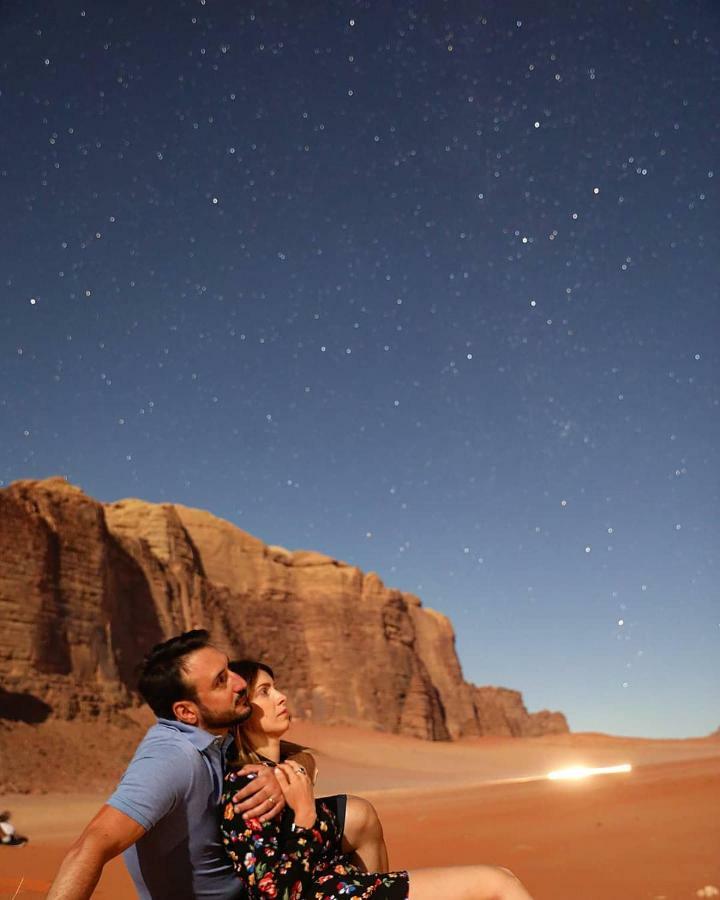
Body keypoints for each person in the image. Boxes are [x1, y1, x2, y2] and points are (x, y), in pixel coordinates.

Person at [222, 660, 535, 900]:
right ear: (241, 711)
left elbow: (308, 760)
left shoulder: (284, 768)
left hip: (335, 883)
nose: (281, 696)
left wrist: (297, 774)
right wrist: (305, 818)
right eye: (264, 692)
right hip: (326, 891)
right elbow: (273, 892)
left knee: (500, 878)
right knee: (498, 883)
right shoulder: (250, 788)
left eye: (275, 686)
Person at [46, 630, 306, 900]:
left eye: (228, 668)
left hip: (250, 888)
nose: (240, 683)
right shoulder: (172, 758)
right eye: (221, 681)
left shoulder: (217, 733)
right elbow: (91, 846)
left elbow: (300, 754)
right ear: (186, 712)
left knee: (352, 818)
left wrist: (283, 773)